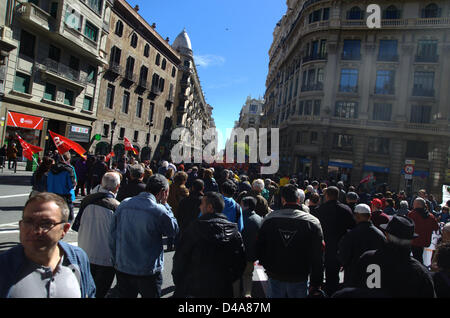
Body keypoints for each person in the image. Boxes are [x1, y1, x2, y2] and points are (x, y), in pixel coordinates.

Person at [0, 192, 95, 298]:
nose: (35, 230)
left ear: (64, 229)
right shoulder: (4, 266)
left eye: (46, 223)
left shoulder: (78, 259)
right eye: (28, 221)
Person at [109, 174, 179, 298]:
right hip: (148, 271)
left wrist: (115, 260)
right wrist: (166, 205)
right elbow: (173, 230)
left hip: (124, 267)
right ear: (164, 192)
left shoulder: (124, 204)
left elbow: (112, 235)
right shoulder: (159, 210)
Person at [172, 192, 246, 298]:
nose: (200, 206)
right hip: (223, 287)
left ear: (210, 207)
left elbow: (180, 260)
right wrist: (228, 279)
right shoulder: (234, 232)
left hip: (196, 287)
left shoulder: (193, 229)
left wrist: (182, 282)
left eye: (202, 204)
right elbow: (240, 263)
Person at [256, 184, 324, 298]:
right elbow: (318, 254)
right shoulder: (313, 222)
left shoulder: (269, 219)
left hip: (275, 273)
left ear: (283, 200)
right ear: (298, 199)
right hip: (299, 275)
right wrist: (316, 282)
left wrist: (267, 266)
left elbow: (259, 246)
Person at [348, 215, 435, 298]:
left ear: (387, 235)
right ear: (411, 240)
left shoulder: (367, 259)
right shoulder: (419, 272)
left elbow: (353, 289)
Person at [77, 172, 121, 298]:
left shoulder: (87, 201)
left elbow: (76, 225)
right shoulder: (117, 206)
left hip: (85, 252)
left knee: (85, 290)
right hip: (106, 257)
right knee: (100, 292)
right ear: (117, 187)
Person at [313, 186, 355, 296]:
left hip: (322, 245)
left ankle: (318, 292)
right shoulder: (346, 209)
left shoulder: (319, 210)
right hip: (338, 246)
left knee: (319, 271)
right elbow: (352, 227)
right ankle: (332, 293)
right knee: (333, 274)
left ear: (327, 196)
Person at [337, 204, 387, 286]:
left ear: (357, 216)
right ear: (370, 216)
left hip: (354, 277)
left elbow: (343, 256)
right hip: (374, 279)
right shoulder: (380, 234)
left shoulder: (351, 235)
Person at [239, 196, 262, 298]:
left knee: (236, 277)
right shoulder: (259, 219)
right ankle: (247, 294)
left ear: (245, 206)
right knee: (248, 275)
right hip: (252, 253)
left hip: (239, 253)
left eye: (241, 204)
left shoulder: (239, 218)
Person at [46, 152, 77, 223]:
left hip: (52, 194)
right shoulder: (69, 170)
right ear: (68, 159)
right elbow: (71, 185)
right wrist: (74, 183)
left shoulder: (51, 168)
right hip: (64, 195)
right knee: (69, 217)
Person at [408, 197, 439, 264]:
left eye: (414, 203)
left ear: (418, 204)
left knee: (417, 259)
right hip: (426, 241)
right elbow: (436, 227)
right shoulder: (431, 216)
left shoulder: (412, 214)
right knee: (421, 258)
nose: (413, 205)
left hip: (415, 241)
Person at [167, 171, 189, 251]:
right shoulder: (182, 189)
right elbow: (186, 200)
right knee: (178, 230)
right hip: (179, 211)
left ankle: (169, 245)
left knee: (171, 229)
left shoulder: (171, 186)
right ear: (183, 180)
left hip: (170, 209)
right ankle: (176, 245)